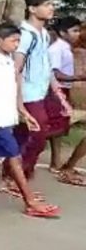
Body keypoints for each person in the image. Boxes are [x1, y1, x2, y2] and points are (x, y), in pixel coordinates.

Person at [0, 22, 60, 218]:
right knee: (15, 158)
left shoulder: (10, 63)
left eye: (18, 41)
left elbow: (14, 91)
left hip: (5, 118)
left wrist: (24, 112)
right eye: (13, 40)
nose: (16, 44)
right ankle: (30, 201)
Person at [3, 0, 68, 199]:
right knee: (38, 136)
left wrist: (58, 93)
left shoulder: (45, 34)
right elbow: (17, 68)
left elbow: (46, 66)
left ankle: (9, 177)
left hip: (40, 91)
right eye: (46, 4)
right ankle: (18, 177)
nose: (51, 8)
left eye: (52, 4)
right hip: (27, 93)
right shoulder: (25, 34)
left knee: (22, 135)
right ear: (32, 9)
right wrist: (18, 101)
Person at [46, 16, 86, 185]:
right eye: (74, 31)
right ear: (62, 32)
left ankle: (59, 164)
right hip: (57, 89)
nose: (78, 34)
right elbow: (53, 74)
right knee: (56, 126)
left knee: (60, 126)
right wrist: (78, 77)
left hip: (65, 88)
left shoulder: (67, 48)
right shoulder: (57, 49)